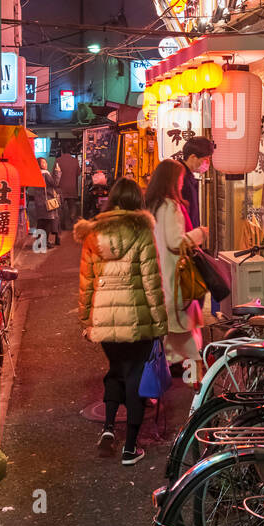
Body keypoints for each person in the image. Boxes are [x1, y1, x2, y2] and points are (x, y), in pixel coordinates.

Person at [75, 177, 168, 465]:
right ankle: (130, 447)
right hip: (137, 321)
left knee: (114, 371)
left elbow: (86, 282)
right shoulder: (142, 232)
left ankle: (107, 431)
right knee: (134, 378)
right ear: (136, 201)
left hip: (104, 322)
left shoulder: (94, 234)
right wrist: (161, 323)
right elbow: (152, 283)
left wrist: (86, 320)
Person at [145, 158, 206, 384]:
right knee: (188, 336)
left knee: (167, 337)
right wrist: (200, 233)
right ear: (172, 181)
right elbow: (175, 241)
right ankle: (195, 384)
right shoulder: (170, 206)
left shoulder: (152, 205)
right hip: (175, 280)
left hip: (158, 277)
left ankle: (160, 377)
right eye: (180, 180)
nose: (182, 184)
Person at [177, 136, 215, 233]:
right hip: (184, 238)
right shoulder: (180, 178)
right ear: (193, 157)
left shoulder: (188, 176)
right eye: (206, 159)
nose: (208, 163)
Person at [54, 147, 81, 230]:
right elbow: (78, 173)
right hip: (72, 188)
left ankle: (62, 225)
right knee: (72, 206)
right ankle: (72, 223)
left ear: (62, 151)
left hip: (61, 188)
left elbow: (55, 173)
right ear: (70, 151)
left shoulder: (58, 160)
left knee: (60, 208)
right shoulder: (75, 161)